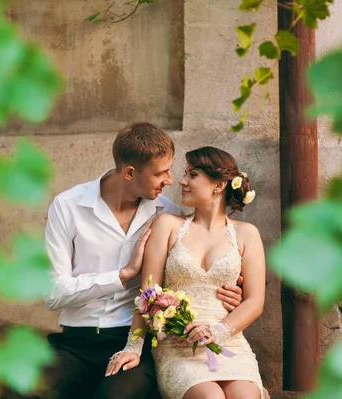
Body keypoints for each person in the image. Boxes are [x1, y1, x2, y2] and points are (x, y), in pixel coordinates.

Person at [42, 124, 245, 399]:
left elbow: (189, 273)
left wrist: (227, 289)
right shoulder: (68, 206)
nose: (171, 181)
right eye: (161, 173)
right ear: (129, 173)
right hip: (76, 341)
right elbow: (53, 294)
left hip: (138, 339)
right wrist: (123, 275)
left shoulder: (168, 214)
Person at [106, 146, 268, 399]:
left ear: (219, 184)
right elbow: (148, 293)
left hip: (229, 342)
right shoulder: (168, 226)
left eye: (192, 174)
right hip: (178, 347)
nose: (181, 181)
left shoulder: (247, 234)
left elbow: (255, 302)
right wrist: (133, 346)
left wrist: (218, 331)